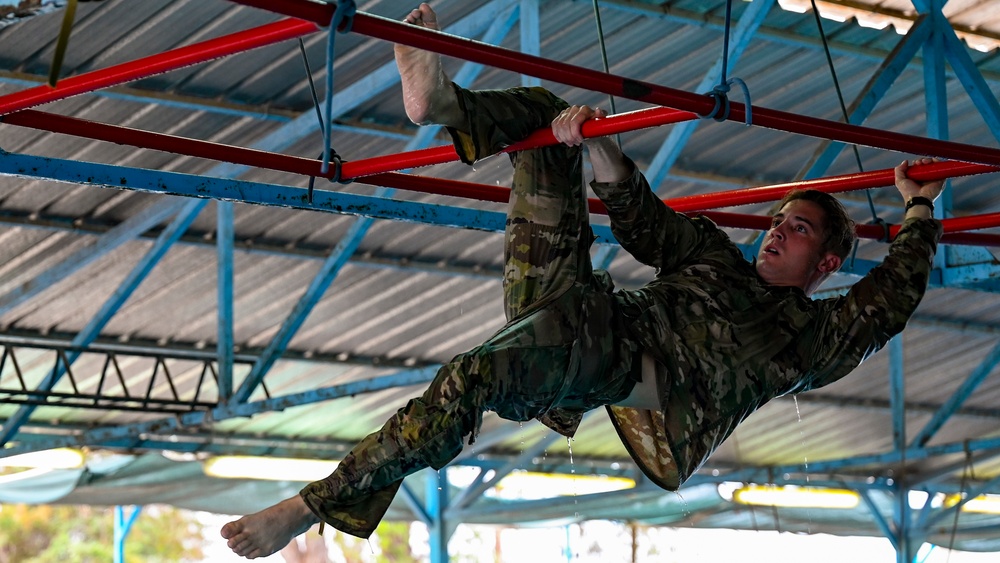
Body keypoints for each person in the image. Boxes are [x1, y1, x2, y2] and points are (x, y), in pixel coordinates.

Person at [222, 4, 944, 558]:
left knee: (467, 379)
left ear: (826, 265)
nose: (779, 230)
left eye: (799, 229)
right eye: (779, 218)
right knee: (542, 120)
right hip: (577, 310)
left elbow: (890, 301)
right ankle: (443, 107)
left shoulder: (809, 339)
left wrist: (918, 211)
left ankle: (312, 505)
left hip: (610, 358)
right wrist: (599, 150)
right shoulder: (716, 258)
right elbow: (643, 220)